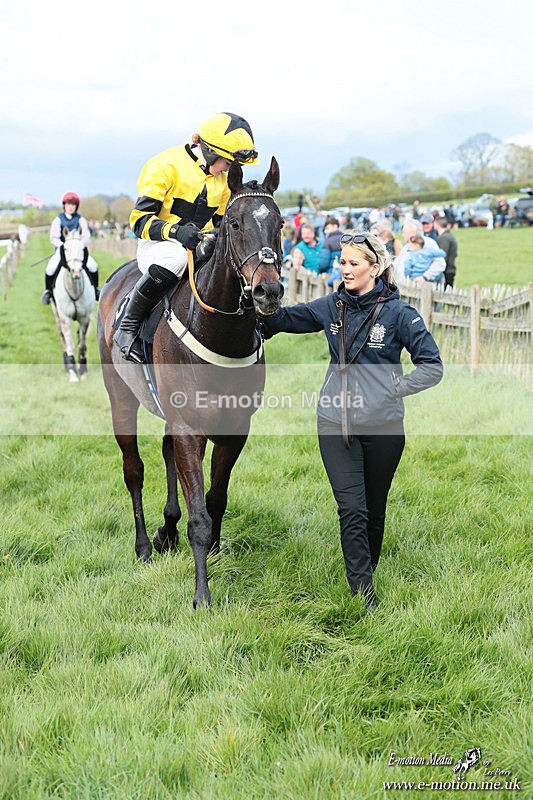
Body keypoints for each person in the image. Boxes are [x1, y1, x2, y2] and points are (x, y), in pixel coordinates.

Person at [261, 232, 443, 609]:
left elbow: (432, 367)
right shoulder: (331, 307)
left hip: (384, 427)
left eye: (353, 263)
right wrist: (254, 301)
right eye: (342, 262)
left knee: (374, 509)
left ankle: (368, 568)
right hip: (334, 422)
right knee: (353, 509)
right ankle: (363, 594)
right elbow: (282, 320)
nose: (344, 269)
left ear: (375, 269)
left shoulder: (400, 314)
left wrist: (395, 388)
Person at [113, 112, 259, 363]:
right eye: (228, 162)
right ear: (211, 151)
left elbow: (221, 224)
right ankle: (128, 325)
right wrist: (176, 232)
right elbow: (139, 221)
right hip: (160, 245)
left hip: (199, 244)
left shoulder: (222, 180)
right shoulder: (164, 166)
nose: (229, 169)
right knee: (177, 258)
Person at [42, 192, 100, 304]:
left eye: (73, 204)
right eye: (69, 204)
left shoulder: (81, 220)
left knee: (93, 266)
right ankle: (48, 292)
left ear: (76, 206)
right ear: (64, 205)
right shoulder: (58, 220)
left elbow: (86, 236)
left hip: (78, 253)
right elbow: (53, 238)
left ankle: (96, 290)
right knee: (50, 268)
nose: (71, 207)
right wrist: (63, 246)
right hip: (63, 252)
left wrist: (78, 246)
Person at [394, 219, 446, 285]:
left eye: (404, 232)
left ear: (413, 232)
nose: (402, 235)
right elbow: (397, 264)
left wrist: (424, 277)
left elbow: (440, 263)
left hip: (426, 289)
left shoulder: (428, 243)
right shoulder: (407, 247)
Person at [434, 216, 458, 289]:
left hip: (447, 271)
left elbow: (443, 256)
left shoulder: (444, 238)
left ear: (437, 225)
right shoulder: (449, 235)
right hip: (450, 269)